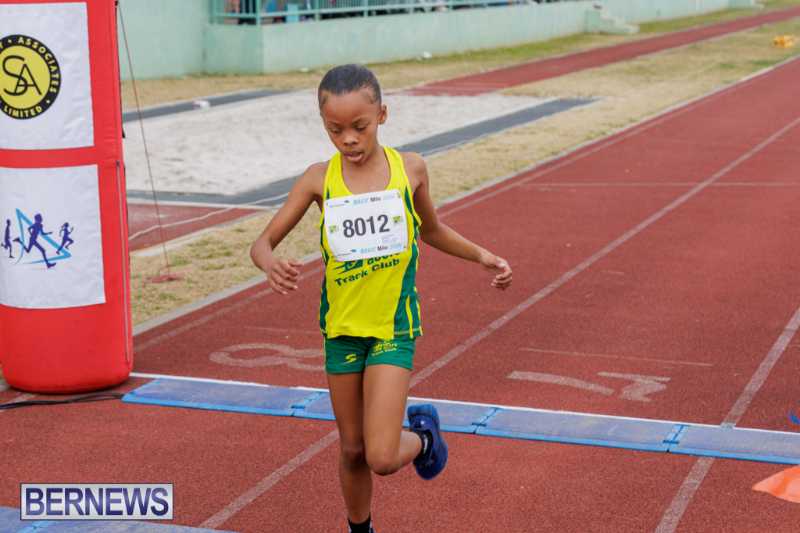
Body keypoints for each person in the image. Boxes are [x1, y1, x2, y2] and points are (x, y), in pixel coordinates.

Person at [250, 63, 512, 533]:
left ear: (382, 116)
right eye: (335, 130)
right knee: (352, 450)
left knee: (383, 457)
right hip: (342, 331)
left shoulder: (409, 169)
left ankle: (424, 439)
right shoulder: (317, 179)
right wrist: (270, 263)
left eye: (359, 126)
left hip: (393, 328)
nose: (348, 139)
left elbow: (430, 229)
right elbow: (262, 243)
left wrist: (482, 255)